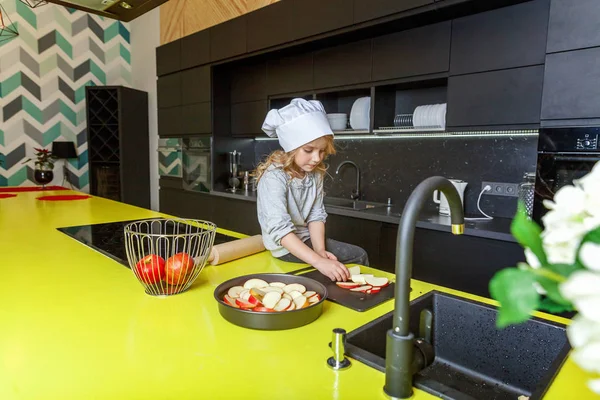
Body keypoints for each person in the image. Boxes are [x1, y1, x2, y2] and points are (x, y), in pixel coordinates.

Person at [254, 98, 369, 282]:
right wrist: (318, 262)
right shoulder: (274, 177)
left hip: (306, 240)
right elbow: (281, 231)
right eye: (309, 150)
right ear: (291, 147)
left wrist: (320, 251)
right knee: (358, 256)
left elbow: (316, 215)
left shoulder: (314, 174)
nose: (317, 158)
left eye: (322, 151)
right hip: (284, 247)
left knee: (343, 258)